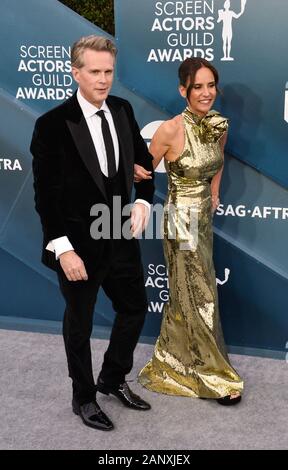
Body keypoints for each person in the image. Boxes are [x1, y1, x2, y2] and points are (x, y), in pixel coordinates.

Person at [31, 35, 154, 431]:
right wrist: (63, 249)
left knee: (134, 308)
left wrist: (143, 201)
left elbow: (144, 161)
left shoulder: (121, 108)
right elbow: (45, 197)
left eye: (109, 72)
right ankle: (83, 397)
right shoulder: (52, 125)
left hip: (119, 232)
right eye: (95, 72)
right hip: (77, 245)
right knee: (79, 324)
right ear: (76, 72)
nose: (103, 80)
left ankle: (112, 377)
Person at [136, 58, 243, 405]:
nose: (206, 92)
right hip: (180, 220)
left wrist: (213, 193)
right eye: (198, 86)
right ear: (183, 90)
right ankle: (213, 376)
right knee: (201, 295)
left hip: (203, 220)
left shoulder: (219, 126)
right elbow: (142, 172)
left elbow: (219, 160)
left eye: (211, 85)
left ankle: (179, 361)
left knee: (192, 293)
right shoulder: (169, 130)